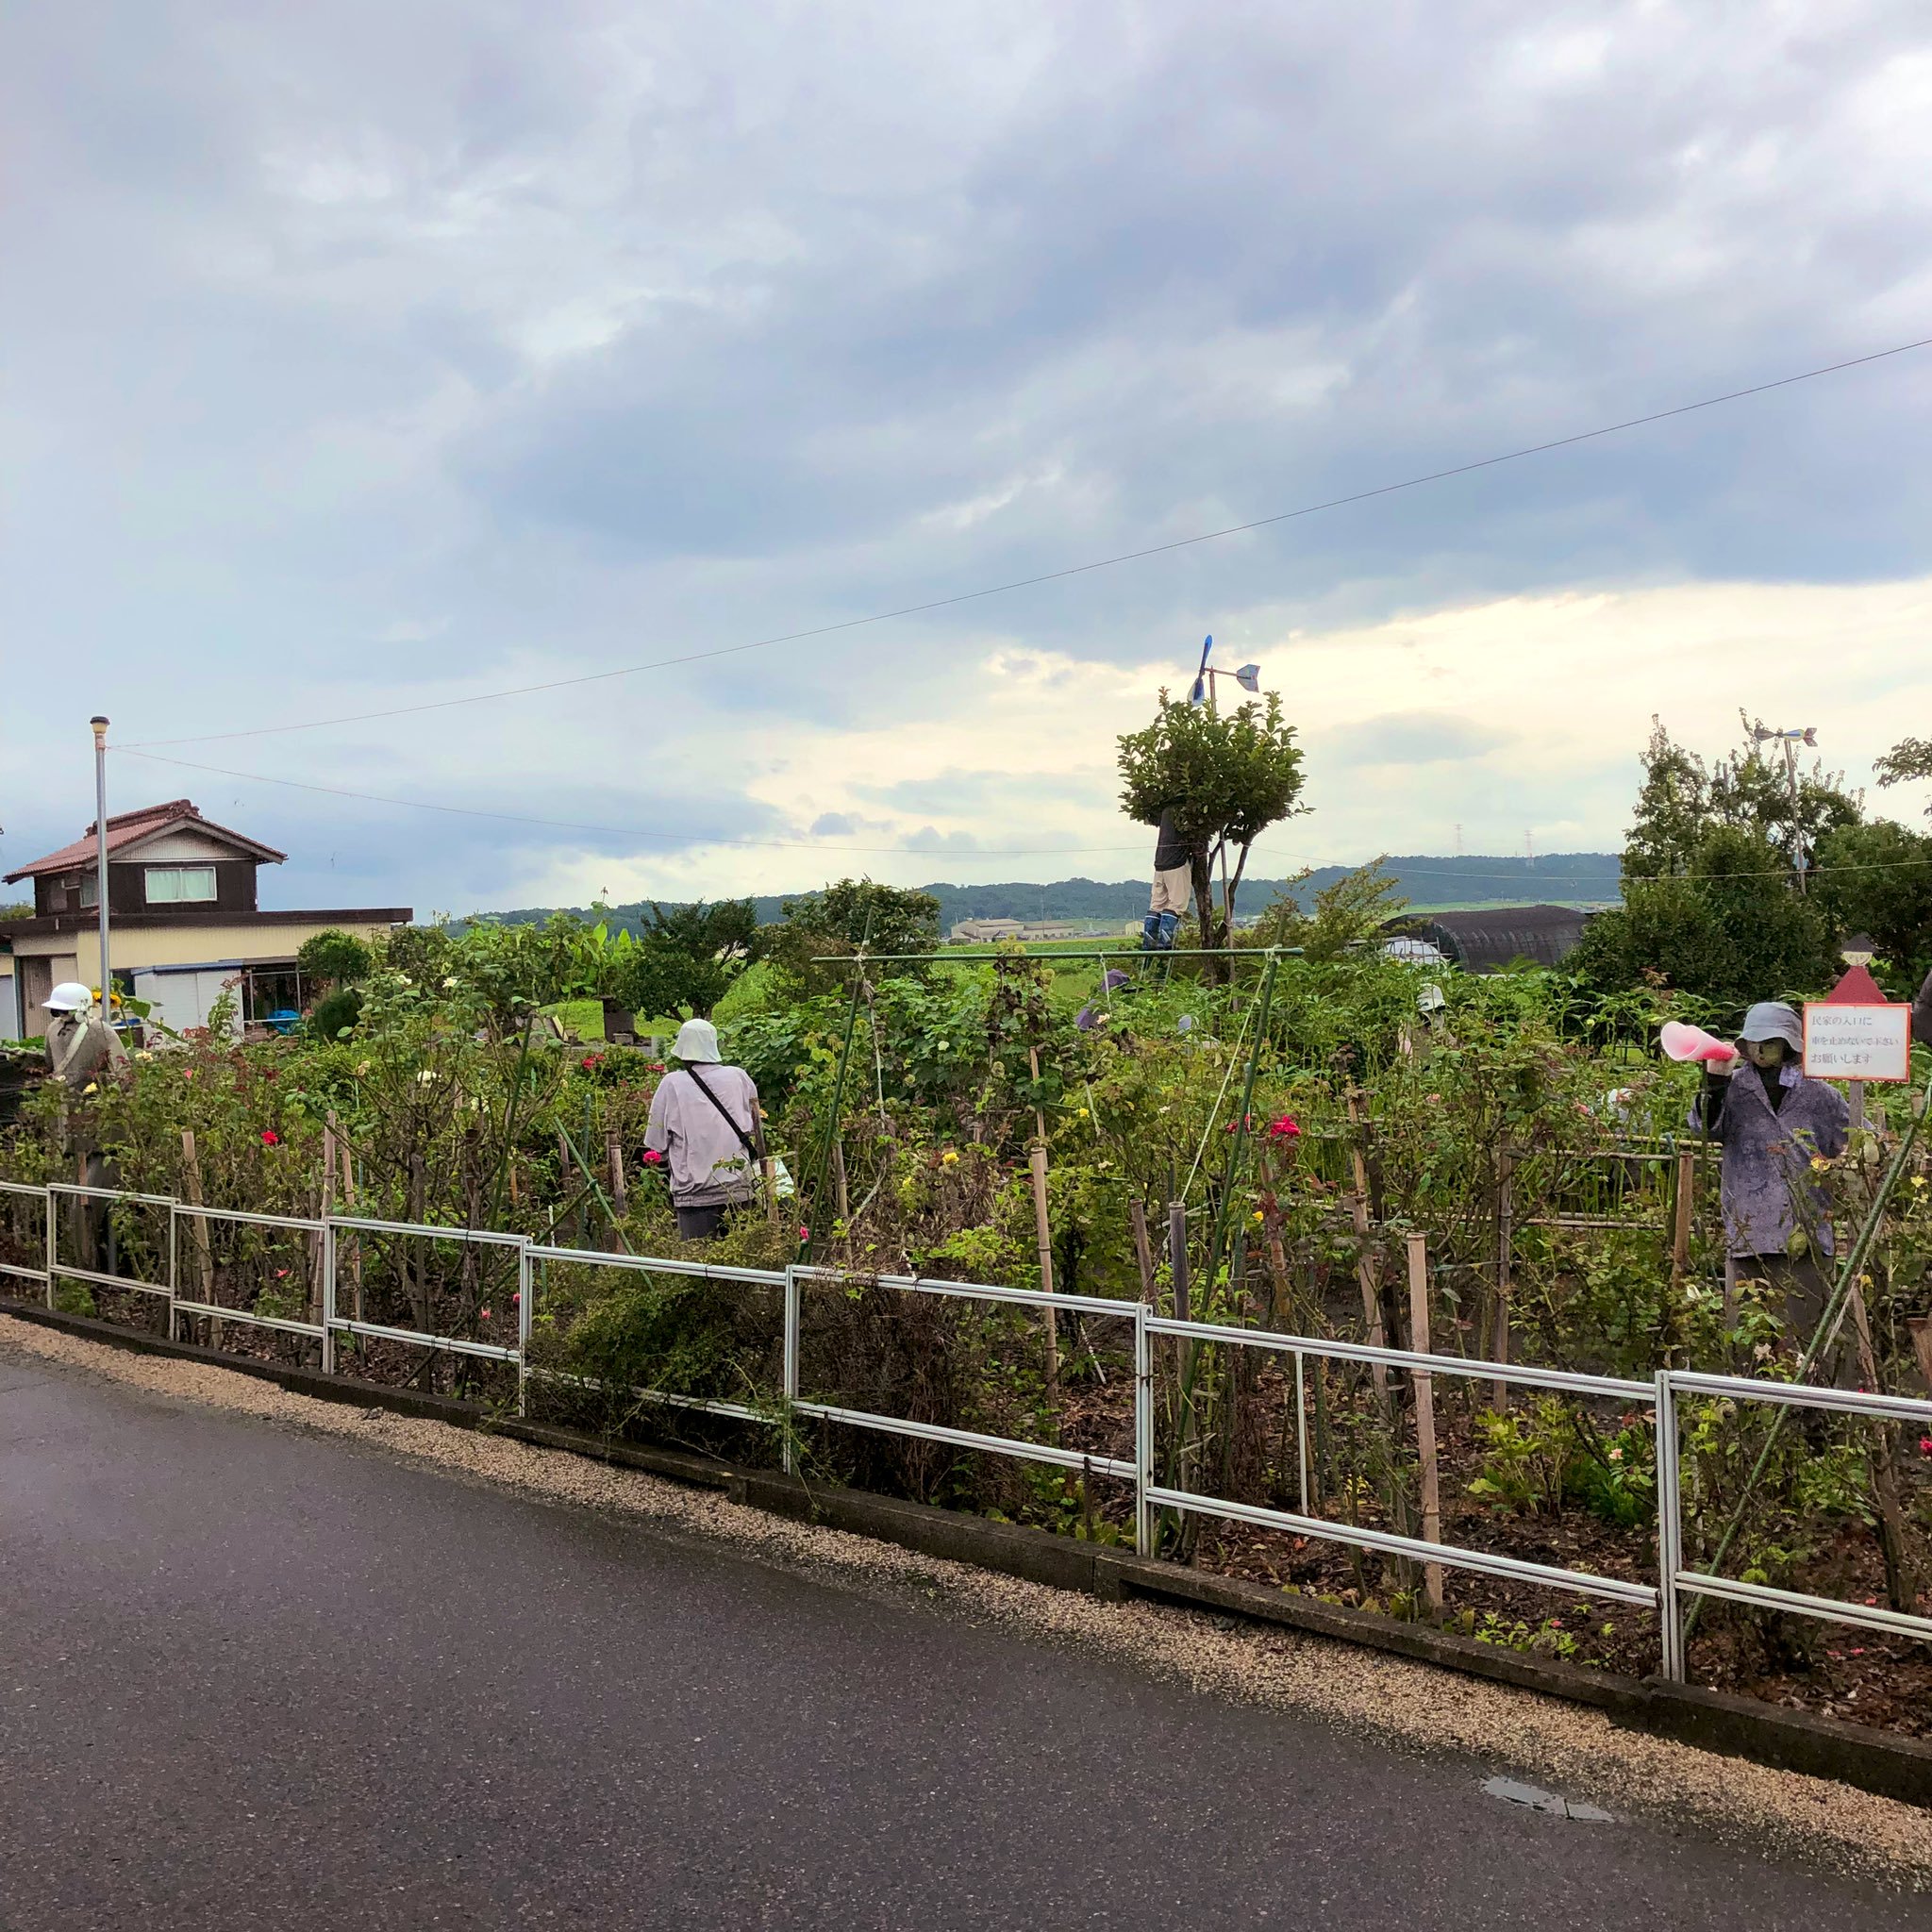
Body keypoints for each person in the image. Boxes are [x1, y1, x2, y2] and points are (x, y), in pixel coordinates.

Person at [1689, 1000, 1850, 1377]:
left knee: (1805, 1341)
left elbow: (1852, 1142)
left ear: (1789, 1045)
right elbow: (1704, 1129)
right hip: (1748, 1229)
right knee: (1748, 1339)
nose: (1763, 1051)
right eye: (1756, 1043)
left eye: (1772, 1042)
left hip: (1806, 1233)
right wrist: (1714, 1081)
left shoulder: (1819, 1094)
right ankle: (1751, 1419)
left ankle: (1809, 1423)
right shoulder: (1732, 1088)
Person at [642, 1018, 766, 1241]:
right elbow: (755, 1126)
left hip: (694, 1194)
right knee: (744, 1263)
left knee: (697, 1264)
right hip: (739, 1189)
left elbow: (655, 1142)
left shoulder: (672, 1084)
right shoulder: (738, 1077)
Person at [42, 981, 128, 1271]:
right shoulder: (52, 1031)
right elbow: (49, 1066)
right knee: (68, 1198)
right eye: (57, 1010)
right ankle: (79, 1266)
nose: (60, 1015)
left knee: (91, 1200)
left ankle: (91, 1267)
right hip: (65, 1126)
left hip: (100, 1131)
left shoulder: (102, 1031)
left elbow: (123, 1073)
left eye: (65, 1010)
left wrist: (102, 1095)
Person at [1141, 806, 1192, 953]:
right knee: (1177, 903)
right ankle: (1166, 941)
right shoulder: (1184, 810)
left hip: (1160, 864)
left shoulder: (1165, 812)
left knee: (1157, 904)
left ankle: (1149, 941)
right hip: (1176, 863)